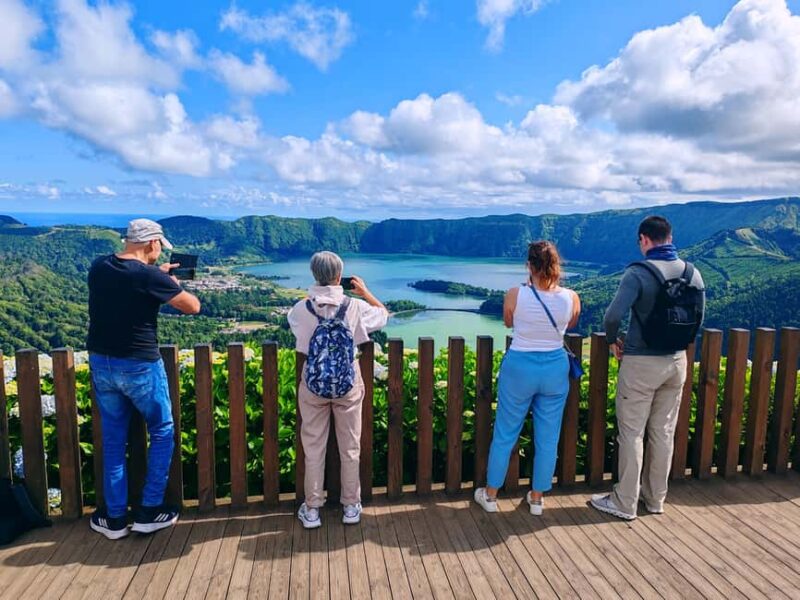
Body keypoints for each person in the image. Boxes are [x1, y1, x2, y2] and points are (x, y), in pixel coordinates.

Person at [87, 219, 200, 539]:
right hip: (139, 365)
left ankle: (115, 519)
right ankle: (150, 511)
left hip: (102, 362)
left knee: (113, 440)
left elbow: (127, 282)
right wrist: (170, 281)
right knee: (162, 432)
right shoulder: (148, 276)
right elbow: (192, 307)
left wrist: (157, 276)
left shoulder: (100, 267)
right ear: (152, 243)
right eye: (159, 245)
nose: (159, 250)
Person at [590, 215, 705, 520]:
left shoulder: (638, 273)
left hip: (641, 362)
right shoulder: (694, 274)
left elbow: (612, 317)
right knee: (663, 432)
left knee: (631, 433)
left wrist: (613, 341)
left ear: (644, 239)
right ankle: (655, 500)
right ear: (670, 236)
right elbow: (699, 318)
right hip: (677, 361)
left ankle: (624, 502)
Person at [474, 241, 581, 516]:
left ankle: (491, 494)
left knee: (506, 432)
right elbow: (569, 324)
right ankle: (536, 498)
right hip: (555, 367)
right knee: (548, 436)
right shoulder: (572, 297)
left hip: (520, 365)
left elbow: (509, 322)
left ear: (529, 266)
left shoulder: (515, 294)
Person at [288, 251, 388, 529]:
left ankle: (312, 510)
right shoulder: (354, 307)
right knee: (350, 445)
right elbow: (383, 316)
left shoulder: (300, 309)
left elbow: (297, 333)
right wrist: (366, 292)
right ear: (339, 276)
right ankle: (351, 506)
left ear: (313, 274)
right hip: (348, 384)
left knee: (313, 447)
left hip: (313, 385)